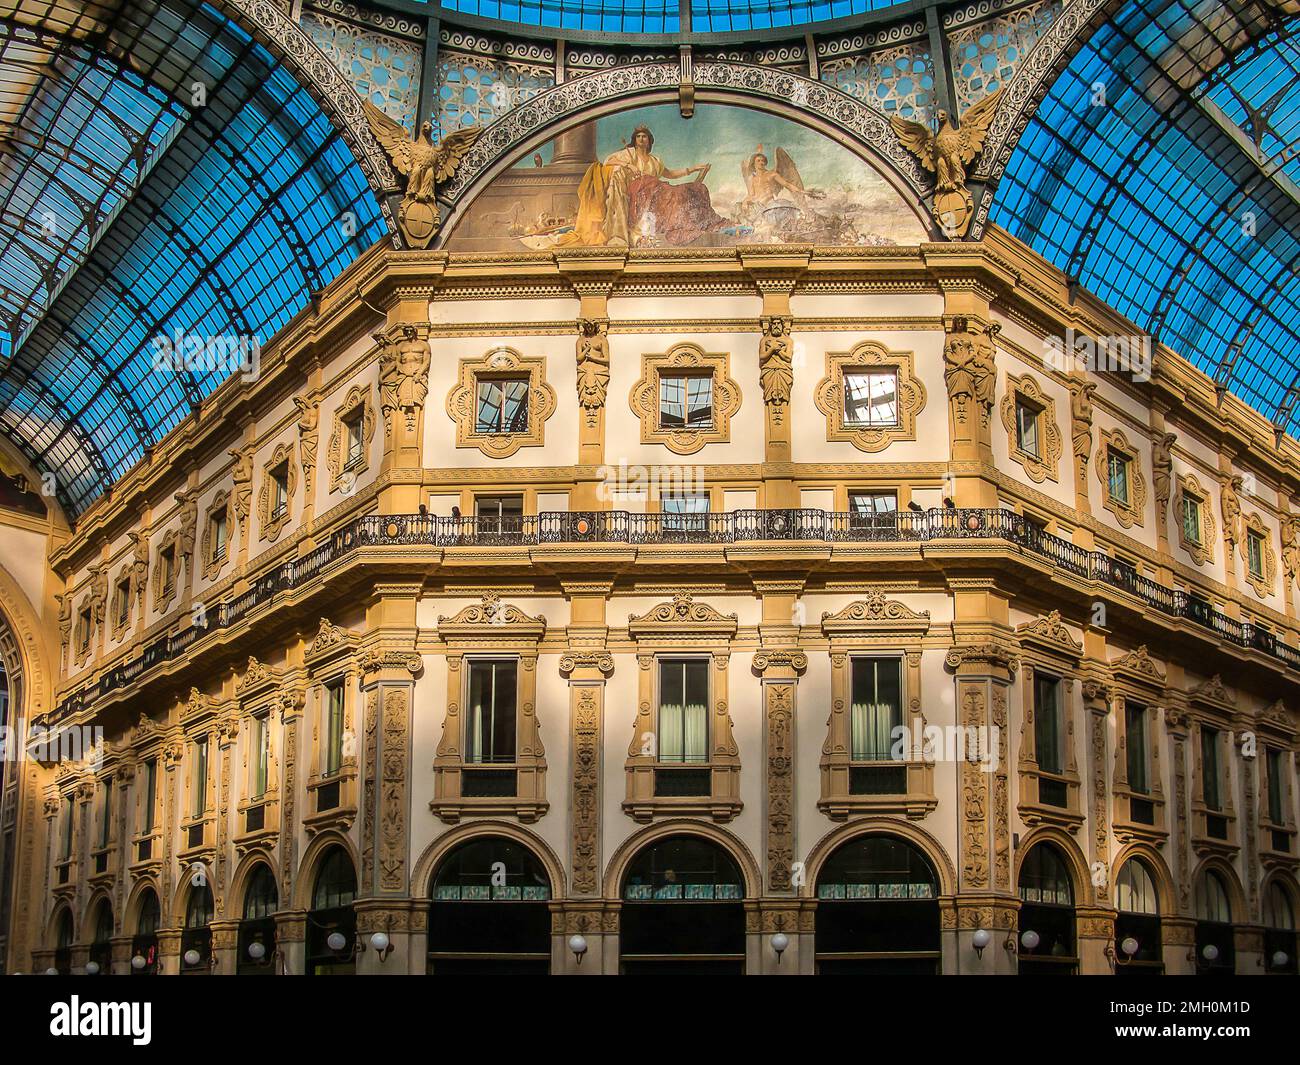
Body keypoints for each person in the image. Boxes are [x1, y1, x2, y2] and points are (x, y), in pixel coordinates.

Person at [561, 125, 722, 247]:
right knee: (669, 193)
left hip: (657, 189)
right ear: (635, 139)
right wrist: (629, 165)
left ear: (649, 140)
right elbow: (609, 161)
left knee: (687, 191)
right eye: (638, 136)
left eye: (644, 136)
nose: (641, 139)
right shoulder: (629, 153)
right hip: (638, 192)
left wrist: (692, 169)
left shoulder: (655, 161)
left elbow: (670, 174)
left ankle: (693, 221)